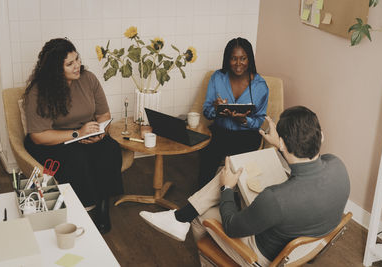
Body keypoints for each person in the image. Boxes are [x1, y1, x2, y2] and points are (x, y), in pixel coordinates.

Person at [139, 106, 350, 266]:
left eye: (281, 142)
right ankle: (179, 217)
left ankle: (185, 221)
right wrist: (280, 144)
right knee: (234, 169)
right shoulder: (338, 165)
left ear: (284, 143)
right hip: (305, 250)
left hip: (261, 256)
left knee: (201, 216)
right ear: (321, 137)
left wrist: (227, 189)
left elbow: (231, 226)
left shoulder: (275, 199)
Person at [23, 38, 122, 234]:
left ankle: (102, 204)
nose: (77, 66)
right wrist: (77, 133)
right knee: (76, 156)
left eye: (77, 59)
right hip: (54, 139)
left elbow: (104, 115)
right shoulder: (38, 92)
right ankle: (83, 206)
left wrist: (100, 133)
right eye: (69, 64)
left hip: (87, 133)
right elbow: (38, 136)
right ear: (55, 70)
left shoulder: (88, 79)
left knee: (110, 148)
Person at [199, 37, 268, 188]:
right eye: (233, 58)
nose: (238, 64)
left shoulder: (260, 86)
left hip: (247, 135)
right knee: (207, 153)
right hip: (220, 131)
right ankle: (201, 193)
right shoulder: (217, 78)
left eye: (243, 58)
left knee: (238, 166)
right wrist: (216, 110)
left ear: (249, 59)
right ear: (227, 59)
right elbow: (206, 111)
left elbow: (260, 119)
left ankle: (230, 195)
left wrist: (244, 120)